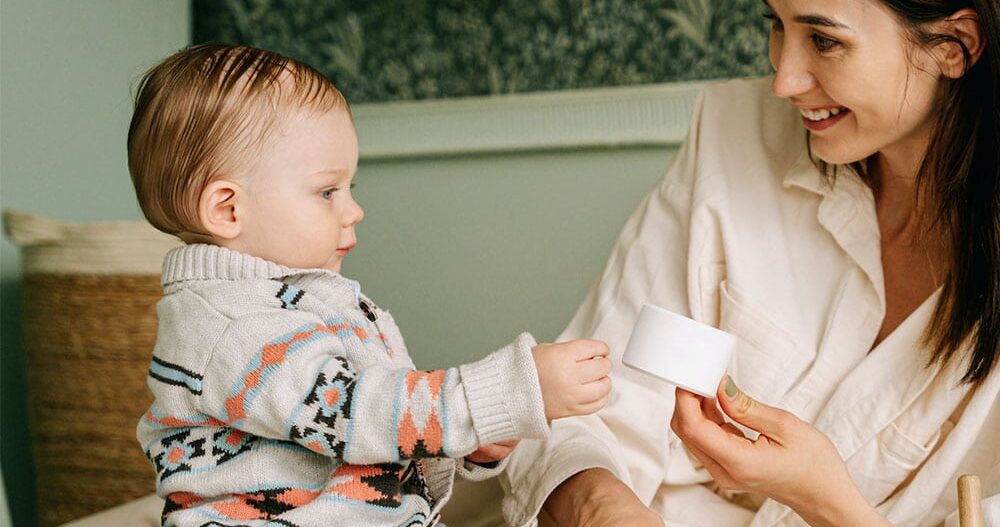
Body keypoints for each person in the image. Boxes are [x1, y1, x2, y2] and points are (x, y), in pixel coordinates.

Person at [498, 0, 1000, 525]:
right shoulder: (734, 131)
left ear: (953, 46)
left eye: (825, 41)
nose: (783, 80)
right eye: (776, 26)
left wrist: (825, 501)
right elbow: (579, 410)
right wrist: (601, 507)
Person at [128, 44, 613, 527]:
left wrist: (465, 444)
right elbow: (355, 411)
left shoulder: (306, 304)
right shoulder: (230, 326)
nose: (353, 210)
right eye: (327, 191)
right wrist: (505, 391)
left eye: (350, 188)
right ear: (228, 210)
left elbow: (367, 450)